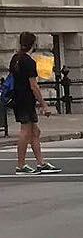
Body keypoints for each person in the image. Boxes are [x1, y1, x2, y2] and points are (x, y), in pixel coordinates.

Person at [9, 32, 51, 173]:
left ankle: (41, 163)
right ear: (33, 44)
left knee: (35, 131)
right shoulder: (29, 62)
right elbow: (34, 86)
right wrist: (44, 104)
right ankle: (21, 165)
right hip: (26, 99)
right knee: (25, 132)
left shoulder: (15, 59)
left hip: (18, 98)